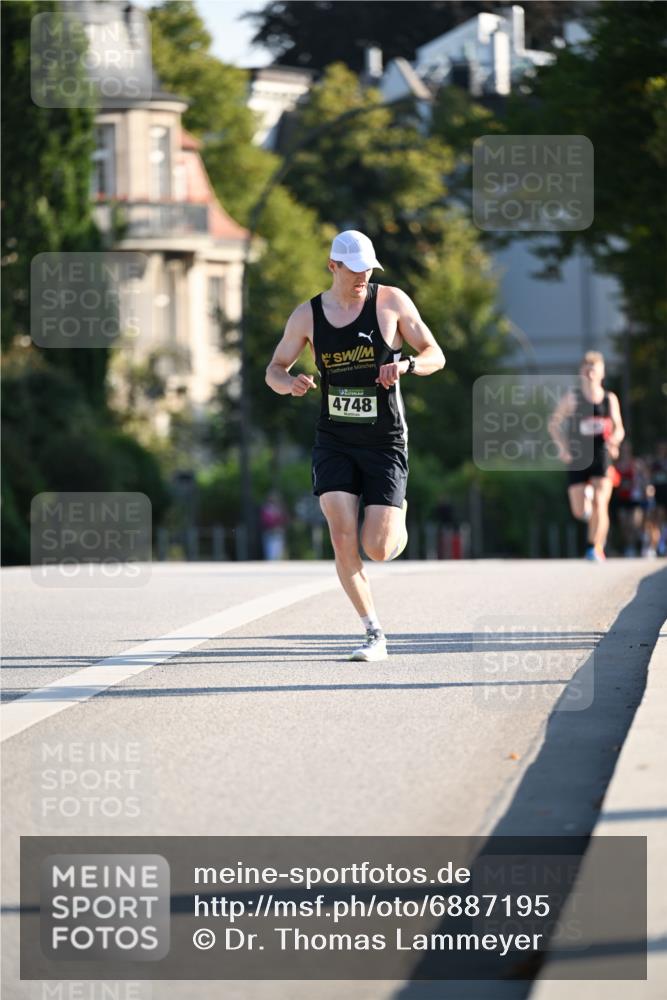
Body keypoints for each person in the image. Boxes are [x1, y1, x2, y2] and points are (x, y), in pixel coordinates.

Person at [266, 230, 445, 660]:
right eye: (355, 269)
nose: (363, 276)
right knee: (342, 536)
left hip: (385, 441)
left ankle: (396, 509)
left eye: (369, 269)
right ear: (333, 266)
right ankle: (373, 633)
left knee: (378, 548)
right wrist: (289, 383)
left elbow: (436, 353)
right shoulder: (307, 316)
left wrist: (406, 364)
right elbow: (273, 369)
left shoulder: (391, 302)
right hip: (334, 440)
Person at [548, 351, 625, 562]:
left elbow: (619, 428)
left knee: (602, 502)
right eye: (586, 368)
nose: (590, 372)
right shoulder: (572, 398)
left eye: (594, 368)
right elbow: (553, 423)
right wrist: (562, 447)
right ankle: (589, 512)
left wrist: (614, 441)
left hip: (601, 455)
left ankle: (595, 547)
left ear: (602, 372)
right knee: (579, 510)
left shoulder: (609, 399)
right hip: (577, 456)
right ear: (581, 373)